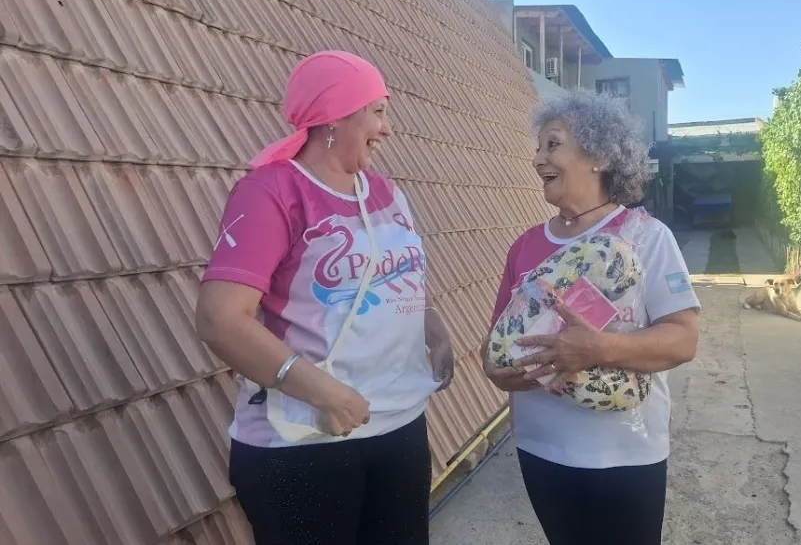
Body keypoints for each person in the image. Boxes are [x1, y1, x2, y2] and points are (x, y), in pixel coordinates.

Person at [195, 50, 454, 545]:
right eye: (377, 111)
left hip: (399, 427)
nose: (388, 127)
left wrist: (434, 329)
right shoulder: (271, 192)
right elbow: (220, 319)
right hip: (306, 440)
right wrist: (323, 392)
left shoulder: (386, 192)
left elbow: (399, 275)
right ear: (336, 117)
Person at [483, 89, 701, 545]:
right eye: (538, 146)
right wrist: (495, 370)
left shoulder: (647, 238)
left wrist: (600, 349)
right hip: (541, 448)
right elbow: (496, 341)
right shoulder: (525, 246)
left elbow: (683, 340)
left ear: (599, 155)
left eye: (553, 144)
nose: (538, 157)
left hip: (626, 453)